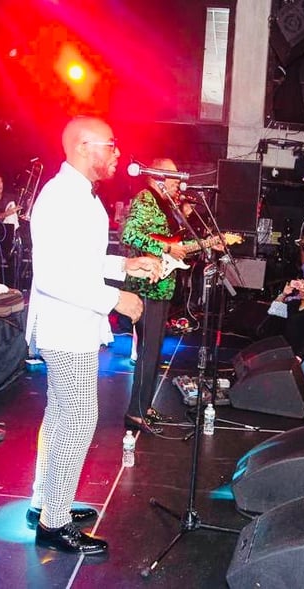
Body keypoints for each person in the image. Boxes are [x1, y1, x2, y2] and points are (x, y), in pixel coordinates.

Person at [25, 116, 160, 554]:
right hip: (67, 328)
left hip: (74, 325)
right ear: (85, 146)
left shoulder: (81, 196)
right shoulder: (61, 198)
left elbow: (81, 261)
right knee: (78, 418)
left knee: (63, 415)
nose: (118, 153)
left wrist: (124, 266)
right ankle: (54, 522)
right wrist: (115, 299)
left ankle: (46, 502)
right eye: (112, 145)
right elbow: (51, 277)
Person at [121, 158, 190, 433]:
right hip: (146, 285)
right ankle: (135, 413)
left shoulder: (164, 203)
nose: (177, 181)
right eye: (172, 176)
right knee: (148, 351)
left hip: (160, 286)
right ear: (157, 176)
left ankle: (144, 405)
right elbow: (130, 234)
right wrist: (166, 250)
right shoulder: (145, 199)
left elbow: (167, 240)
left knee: (154, 351)